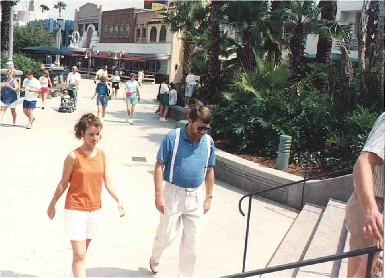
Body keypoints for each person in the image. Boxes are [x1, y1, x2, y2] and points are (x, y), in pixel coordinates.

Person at [47, 113, 126, 278]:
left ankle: (74, 273)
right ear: (82, 133)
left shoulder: (102, 155)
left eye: (98, 134)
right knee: (81, 254)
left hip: (94, 209)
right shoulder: (73, 156)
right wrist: (52, 203)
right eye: (91, 134)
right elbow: (63, 183)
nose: (95, 138)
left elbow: (108, 182)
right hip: (75, 209)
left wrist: (119, 199)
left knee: (82, 253)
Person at [149, 106, 216, 277]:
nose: (203, 131)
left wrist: (208, 197)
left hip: (195, 196)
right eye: (200, 127)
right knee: (167, 236)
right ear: (190, 121)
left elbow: (209, 170)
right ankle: (155, 258)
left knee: (192, 244)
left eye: (206, 128)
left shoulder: (208, 142)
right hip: (173, 194)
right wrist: (159, 195)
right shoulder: (173, 138)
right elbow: (159, 165)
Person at [345, 112, 384, 278]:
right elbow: (363, 162)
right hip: (373, 203)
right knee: (368, 270)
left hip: (372, 206)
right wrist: (371, 211)